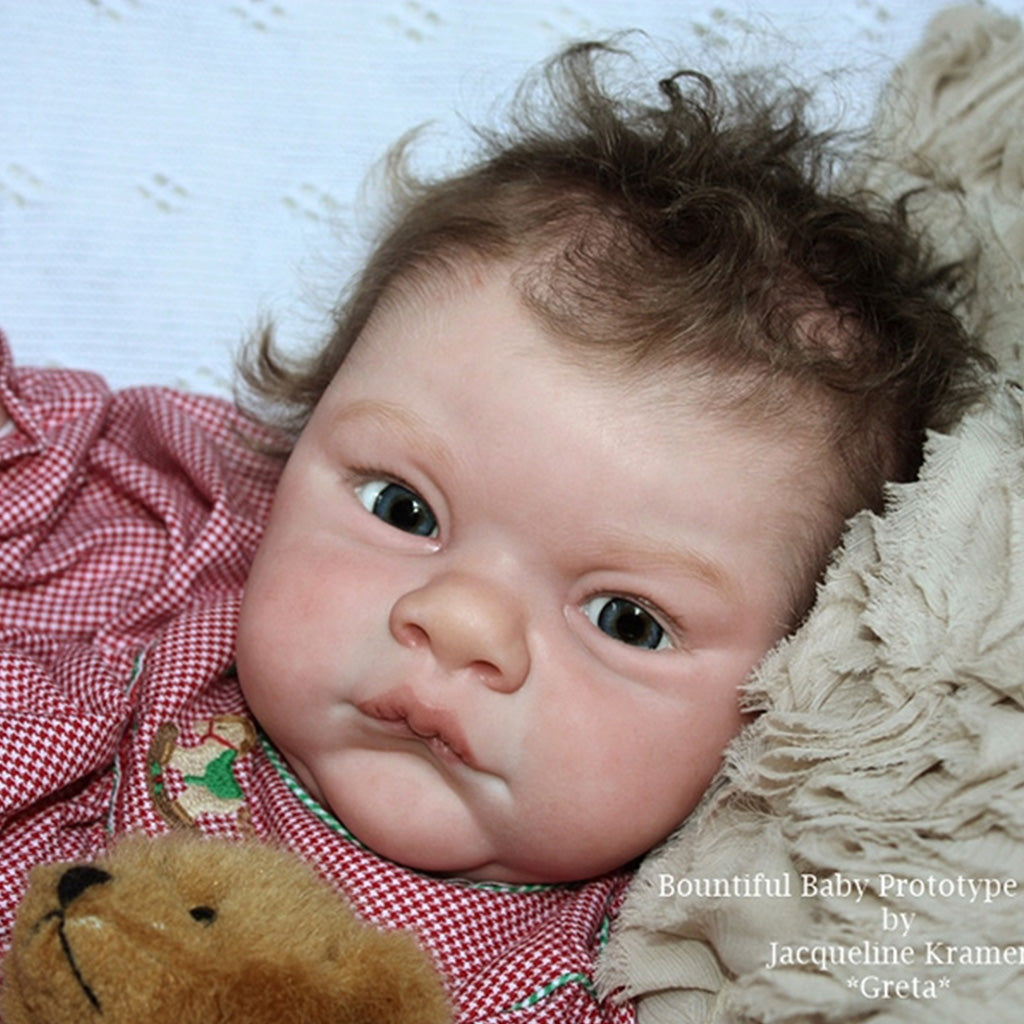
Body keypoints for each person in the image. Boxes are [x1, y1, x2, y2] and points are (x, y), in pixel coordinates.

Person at [0, 40, 990, 1021]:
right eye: (403, 509)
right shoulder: (163, 546)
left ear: (787, 687)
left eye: (625, 617)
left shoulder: (661, 969)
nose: (462, 622)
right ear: (291, 455)